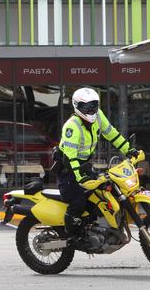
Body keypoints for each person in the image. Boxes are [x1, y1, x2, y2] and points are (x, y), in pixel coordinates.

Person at [57, 87, 139, 241]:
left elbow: (112, 135)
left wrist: (129, 150)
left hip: (84, 167)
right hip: (68, 170)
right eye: (87, 106)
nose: (91, 109)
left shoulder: (98, 116)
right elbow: (70, 158)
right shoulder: (72, 126)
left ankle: (93, 231)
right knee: (78, 201)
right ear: (77, 106)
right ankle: (71, 235)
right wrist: (80, 178)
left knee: (101, 196)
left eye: (94, 105)